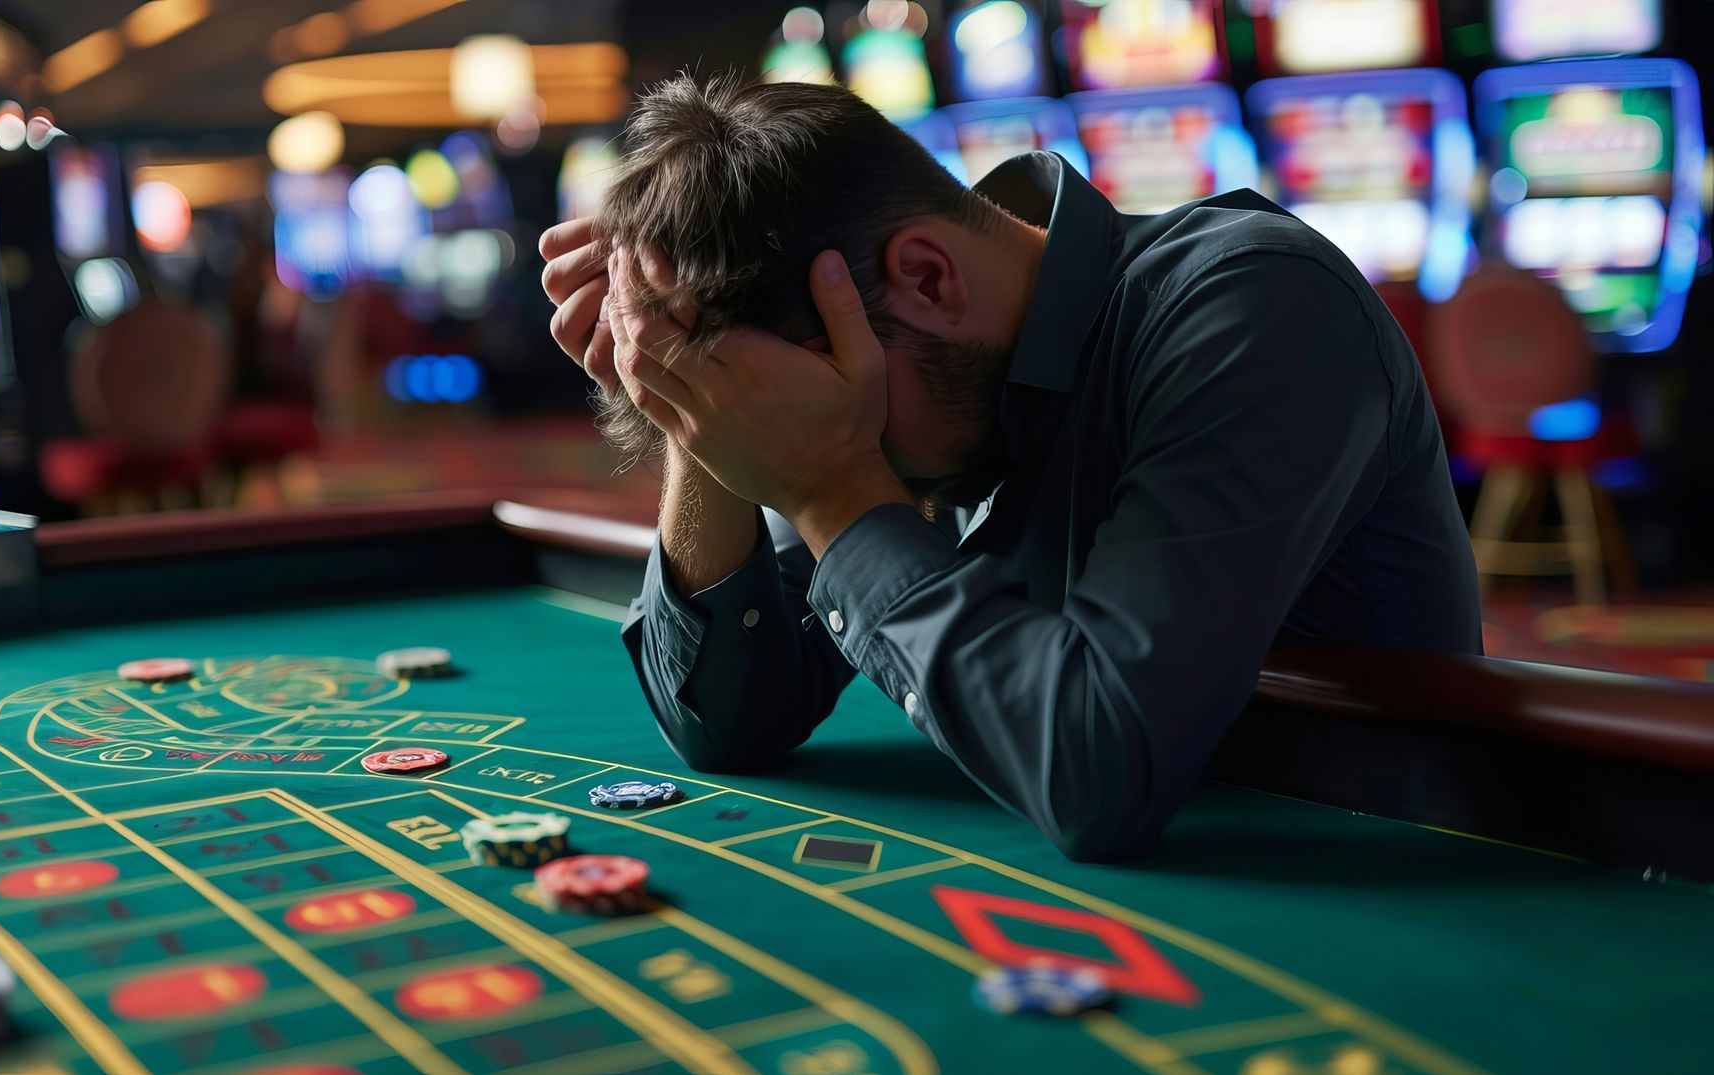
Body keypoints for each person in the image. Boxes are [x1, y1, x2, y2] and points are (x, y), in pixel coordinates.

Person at [539, 74, 1481, 861]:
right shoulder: (916, 369)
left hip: (1417, 864)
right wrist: (691, 398)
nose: (818, 430)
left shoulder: (1255, 304)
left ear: (929, 279)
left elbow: (1097, 769)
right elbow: (728, 721)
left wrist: (831, 482)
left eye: (800, 404)